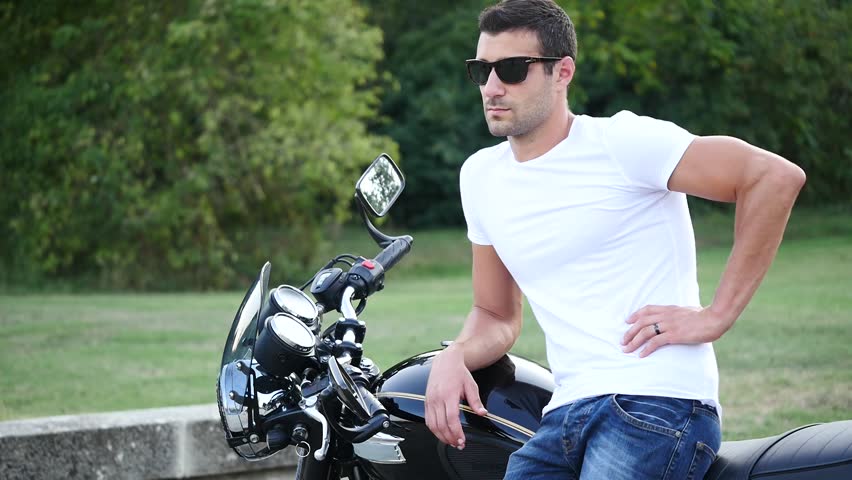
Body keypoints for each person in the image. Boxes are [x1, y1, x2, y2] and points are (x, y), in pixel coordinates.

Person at [423, 0, 806, 479]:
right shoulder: (479, 176)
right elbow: (496, 313)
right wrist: (452, 355)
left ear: (562, 72)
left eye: (513, 69)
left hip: (657, 404)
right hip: (564, 411)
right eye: (481, 70)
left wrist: (717, 315)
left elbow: (773, 177)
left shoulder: (622, 143)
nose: (493, 87)